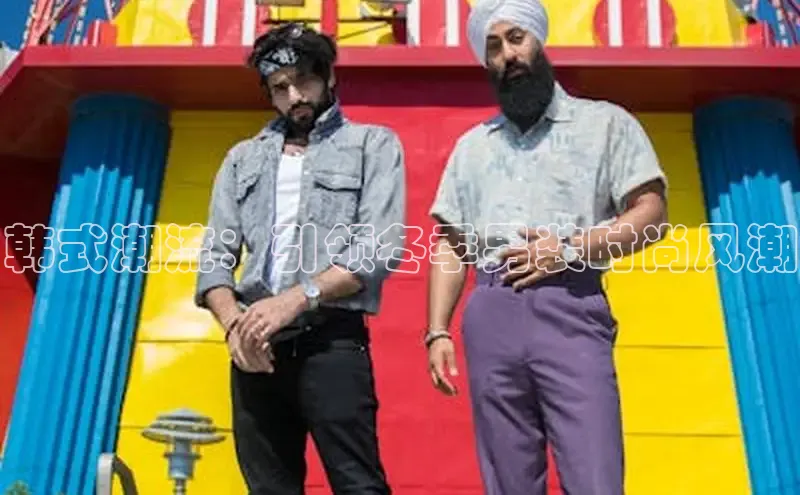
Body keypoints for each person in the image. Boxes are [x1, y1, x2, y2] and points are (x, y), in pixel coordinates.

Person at [424, 1, 668, 494]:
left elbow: (652, 217)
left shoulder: (605, 124)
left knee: (595, 475)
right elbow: (451, 244)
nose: (508, 55)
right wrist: (437, 330)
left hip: (570, 305)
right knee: (508, 480)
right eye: (494, 47)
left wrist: (571, 249)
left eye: (517, 38)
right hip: (491, 314)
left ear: (539, 40)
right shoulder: (473, 147)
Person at [194, 22, 405, 495]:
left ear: (329, 76)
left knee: (359, 486)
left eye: (304, 80)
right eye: (279, 87)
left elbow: (378, 247)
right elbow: (215, 256)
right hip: (256, 347)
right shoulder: (241, 159)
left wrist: (296, 298)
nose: (295, 96)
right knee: (269, 489)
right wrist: (234, 327)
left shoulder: (372, 144)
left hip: (332, 341)